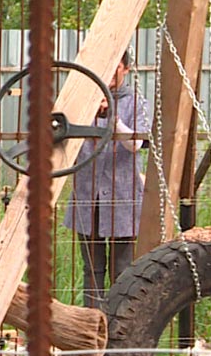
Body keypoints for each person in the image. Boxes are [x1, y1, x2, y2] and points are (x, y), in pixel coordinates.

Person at [62, 50, 151, 310]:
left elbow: (137, 144)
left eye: (117, 68)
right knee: (91, 270)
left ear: (126, 69)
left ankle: (119, 329)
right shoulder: (82, 103)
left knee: (123, 271)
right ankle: (92, 328)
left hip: (122, 198)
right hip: (87, 197)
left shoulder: (136, 102)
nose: (110, 74)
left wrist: (112, 118)